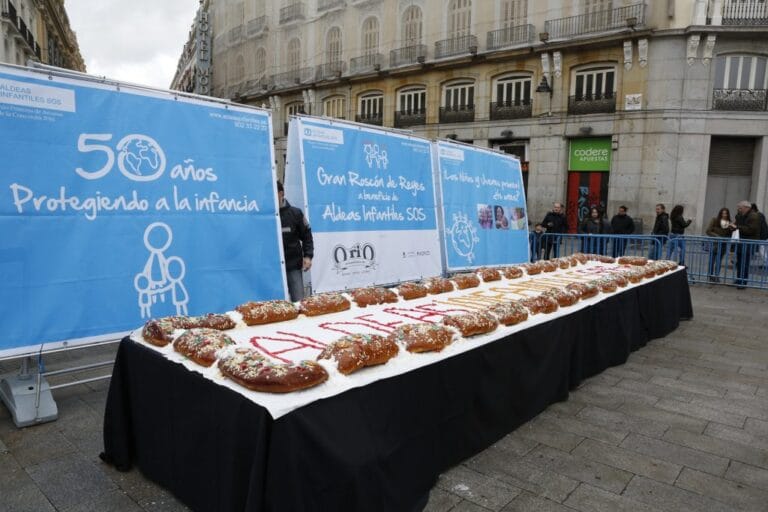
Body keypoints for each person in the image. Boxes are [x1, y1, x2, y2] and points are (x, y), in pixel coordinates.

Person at [277, 180, 314, 301]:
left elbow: (307, 236)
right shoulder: (264, 216)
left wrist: (308, 256)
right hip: (272, 269)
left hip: (293, 267)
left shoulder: (296, 213)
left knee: (299, 302)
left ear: (281, 193)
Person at [731, 200, 760, 289]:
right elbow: (737, 224)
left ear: (746, 208)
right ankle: (739, 279)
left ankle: (743, 282)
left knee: (744, 263)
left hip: (747, 243)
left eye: (740, 208)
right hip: (741, 242)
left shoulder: (753, 216)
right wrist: (732, 226)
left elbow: (751, 230)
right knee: (739, 262)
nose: (739, 209)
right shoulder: (741, 215)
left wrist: (737, 227)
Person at [705, 207, 733, 282]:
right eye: (723, 213)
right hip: (714, 243)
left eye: (726, 213)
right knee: (712, 260)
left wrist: (731, 229)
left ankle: (717, 276)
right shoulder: (714, 220)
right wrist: (718, 237)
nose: (724, 215)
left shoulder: (729, 222)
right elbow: (708, 231)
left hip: (723, 244)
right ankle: (710, 276)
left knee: (719, 261)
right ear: (720, 213)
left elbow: (730, 235)